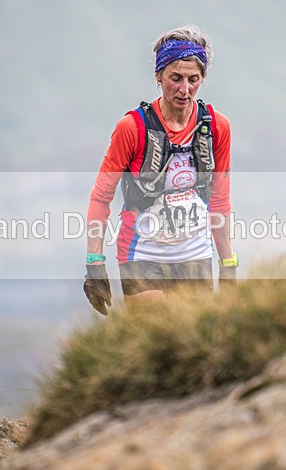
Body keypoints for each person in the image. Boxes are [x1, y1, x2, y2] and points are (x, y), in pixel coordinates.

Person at [83, 25, 237, 315]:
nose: (184, 90)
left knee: (191, 339)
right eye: (175, 78)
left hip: (196, 254)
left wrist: (228, 264)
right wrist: (95, 264)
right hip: (141, 253)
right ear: (158, 76)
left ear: (202, 78)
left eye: (193, 79)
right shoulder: (132, 128)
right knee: (153, 330)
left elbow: (219, 200)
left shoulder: (217, 127)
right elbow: (101, 198)